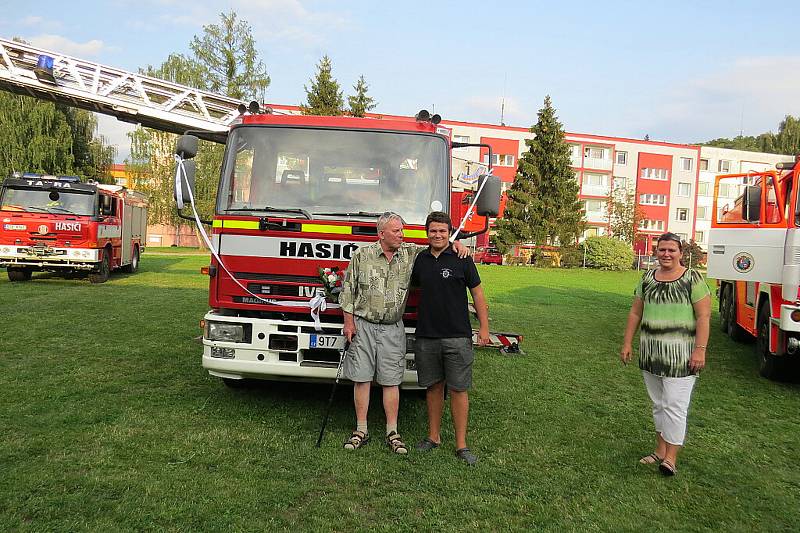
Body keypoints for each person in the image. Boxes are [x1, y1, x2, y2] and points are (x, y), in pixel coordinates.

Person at [338, 211, 467, 454]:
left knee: (391, 380)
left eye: (401, 230)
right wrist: (349, 323)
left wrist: (455, 243)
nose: (401, 235)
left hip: (392, 328)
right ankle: (361, 429)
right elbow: (347, 291)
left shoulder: (410, 254)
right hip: (363, 325)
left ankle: (392, 431)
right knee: (362, 377)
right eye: (396, 231)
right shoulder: (361, 255)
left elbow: (437, 245)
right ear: (381, 234)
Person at [620, 232, 711, 476]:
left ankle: (670, 457)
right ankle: (660, 449)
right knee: (659, 405)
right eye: (662, 250)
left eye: (672, 250)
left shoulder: (692, 279)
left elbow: (703, 316)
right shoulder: (648, 277)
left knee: (675, 406)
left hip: (681, 358)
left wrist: (699, 350)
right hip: (651, 355)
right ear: (656, 252)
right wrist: (627, 343)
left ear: (681, 253)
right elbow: (635, 313)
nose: (666, 254)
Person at [411, 211, 490, 465]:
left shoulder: (462, 258)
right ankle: (433, 437)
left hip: (457, 336)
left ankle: (461, 445)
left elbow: (477, 295)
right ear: (427, 233)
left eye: (442, 231)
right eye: (433, 230)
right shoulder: (419, 260)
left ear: (450, 233)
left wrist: (485, 328)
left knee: (458, 389)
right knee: (433, 387)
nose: (437, 235)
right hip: (427, 336)